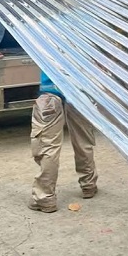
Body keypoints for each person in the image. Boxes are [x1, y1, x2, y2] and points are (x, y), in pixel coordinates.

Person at [28, 71, 98, 213]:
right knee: (83, 141)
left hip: (51, 93)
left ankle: (44, 198)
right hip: (81, 91)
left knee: (48, 146)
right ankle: (89, 185)